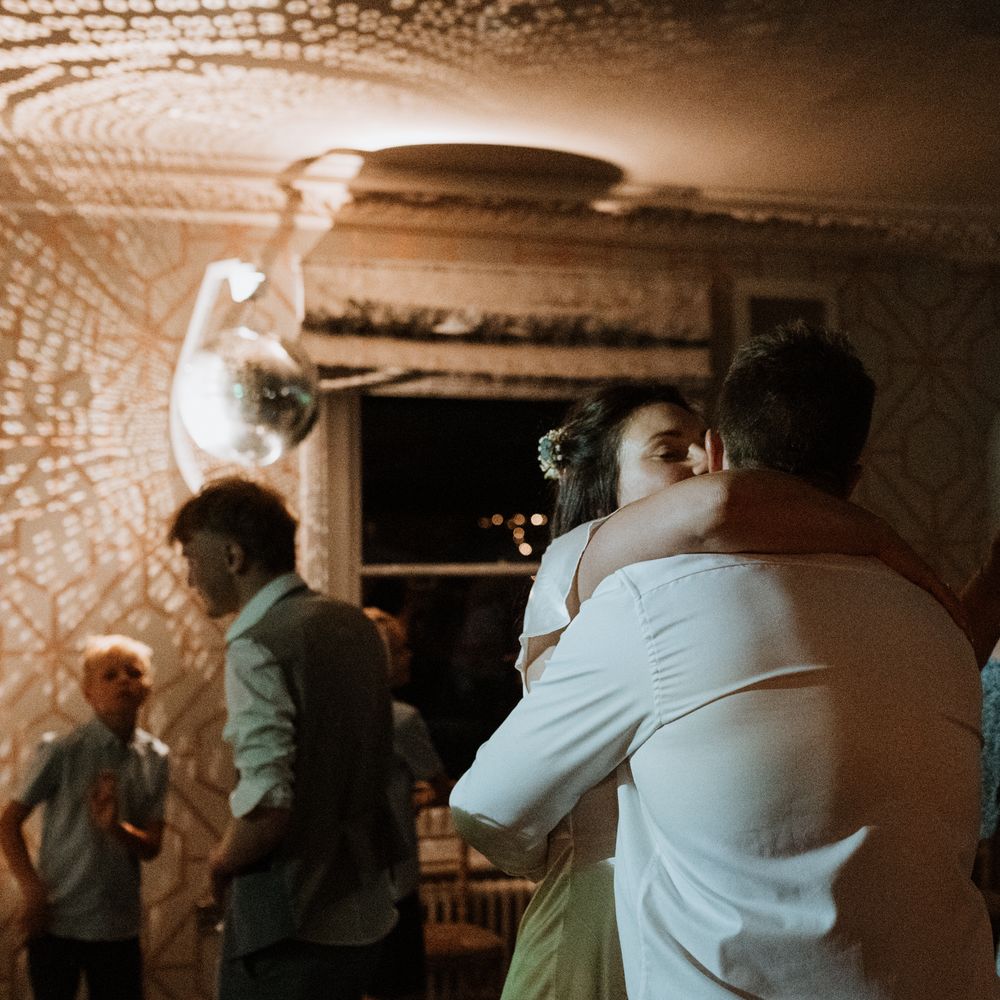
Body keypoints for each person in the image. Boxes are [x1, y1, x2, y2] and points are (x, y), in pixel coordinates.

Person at [452, 326, 999, 999]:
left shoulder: (650, 604)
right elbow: (724, 504)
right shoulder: (929, 619)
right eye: (665, 452)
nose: (691, 469)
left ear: (718, 451)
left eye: (695, 450)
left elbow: (490, 808)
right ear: (855, 479)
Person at [168, 477, 400, 1000]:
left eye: (191, 558)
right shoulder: (355, 624)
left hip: (291, 920)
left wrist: (221, 860)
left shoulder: (257, 644)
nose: (189, 577)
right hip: (366, 906)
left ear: (233, 556)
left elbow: (270, 804)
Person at [0, 635, 168, 1000]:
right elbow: (8, 822)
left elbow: (152, 847)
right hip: (57, 921)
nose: (123, 681)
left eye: (133, 672)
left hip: (118, 928)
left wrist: (116, 828)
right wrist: (31, 890)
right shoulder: (62, 751)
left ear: (147, 688)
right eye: (110, 675)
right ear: (88, 692)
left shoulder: (156, 757)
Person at [364, 606, 450, 1000]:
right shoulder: (401, 719)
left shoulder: (339, 718)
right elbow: (441, 786)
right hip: (395, 879)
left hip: (353, 881)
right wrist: (427, 795)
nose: (409, 656)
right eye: (400, 650)